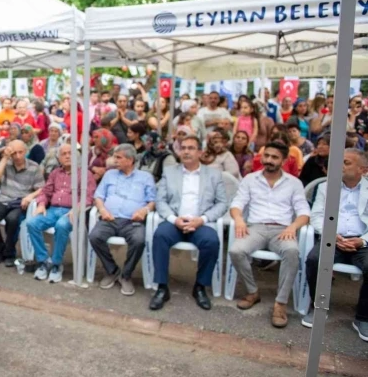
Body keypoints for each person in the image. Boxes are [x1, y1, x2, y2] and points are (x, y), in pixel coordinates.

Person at [228, 141, 310, 328]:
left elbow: (304, 212)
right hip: (255, 227)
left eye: (274, 157)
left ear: (284, 160)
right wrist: (239, 219)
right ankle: (252, 292)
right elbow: (237, 204)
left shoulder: (294, 183)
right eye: (267, 156)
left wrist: (292, 227)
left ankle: (280, 303)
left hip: (282, 230)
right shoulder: (250, 179)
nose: (269, 160)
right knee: (236, 250)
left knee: (291, 252)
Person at [150, 135, 227, 311]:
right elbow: (160, 201)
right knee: (160, 235)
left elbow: (222, 203)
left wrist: (203, 219)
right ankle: (162, 287)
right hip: (175, 221)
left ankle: (200, 287)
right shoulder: (169, 172)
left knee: (211, 241)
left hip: (200, 222)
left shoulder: (214, 174)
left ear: (200, 152)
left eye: (191, 148)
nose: (186, 151)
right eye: (183, 148)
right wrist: (173, 219)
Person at [302, 149, 368, 341]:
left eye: (346, 162)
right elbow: (316, 216)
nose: (339, 165)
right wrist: (333, 235)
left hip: (362, 240)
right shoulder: (326, 187)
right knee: (314, 260)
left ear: (362, 170)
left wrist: (362, 240)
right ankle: (318, 306)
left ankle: (363, 317)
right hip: (333, 238)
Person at [88, 144, 156, 296]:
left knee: (139, 240)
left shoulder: (145, 177)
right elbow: (98, 196)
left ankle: (126, 274)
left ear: (130, 160)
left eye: (118, 157)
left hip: (133, 221)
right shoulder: (109, 175)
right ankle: (112, 270)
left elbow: (152, 201)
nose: (114, 160)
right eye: (114, 157)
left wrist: (144, 210)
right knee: (95, 236)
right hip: (109, 218)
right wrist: (102, 210)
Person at [27, 144, 96, 283]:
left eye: (70, 153)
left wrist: (76, 208)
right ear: (59, 158)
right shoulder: (55, 173)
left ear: (76, 156)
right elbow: (46, 191)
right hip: (52, 210)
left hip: (71, 211)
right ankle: (43, 260)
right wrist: (41, 204)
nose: (67, 156)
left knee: (61, 225)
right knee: (32, 223)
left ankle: (56, 264)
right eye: (63, 154)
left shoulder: (85, 174)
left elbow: (88, 196)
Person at [0, 140, 45, 267]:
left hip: (20, 202)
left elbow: (41, 188)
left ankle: (10, 252)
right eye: (14, 153)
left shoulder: (34, 167)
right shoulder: (7, 163)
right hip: (4, 199)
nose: (17, 156)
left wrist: (30, 196)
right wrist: (5, 158)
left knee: (12, 219)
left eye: (20, 152)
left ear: (25, 152)